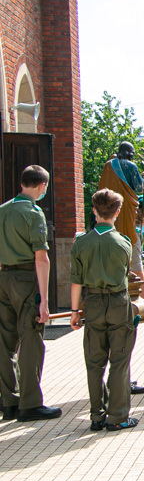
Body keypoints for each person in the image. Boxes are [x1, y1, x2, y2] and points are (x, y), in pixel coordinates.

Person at [69, 188, 139, 431]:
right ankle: (118, 416)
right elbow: (124, 273)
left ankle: (96, 415)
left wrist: (75, 311)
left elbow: (76, 281)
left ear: (94, 210)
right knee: (119, 359)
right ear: (118, 212)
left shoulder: (81, 242)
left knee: (94, 361)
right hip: (118, 301)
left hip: (93, 302)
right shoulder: (123, 242)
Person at [0, 165, 59, 422]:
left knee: (4, 343)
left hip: (3, 276)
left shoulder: (2, 210)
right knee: (31, 339)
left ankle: (8, 401)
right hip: (26, 279)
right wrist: (45, 300)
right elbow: (41, 257)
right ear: (42, 186)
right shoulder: (33, 213)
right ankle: (30, 403)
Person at [96, 141, 144, 246]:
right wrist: (143, 177)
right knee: (127, 234)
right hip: (127, 205)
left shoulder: (108, 165)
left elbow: (102, 187)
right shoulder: (131, 166)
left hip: (108, 206)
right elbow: (139, 187)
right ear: (129, 153)